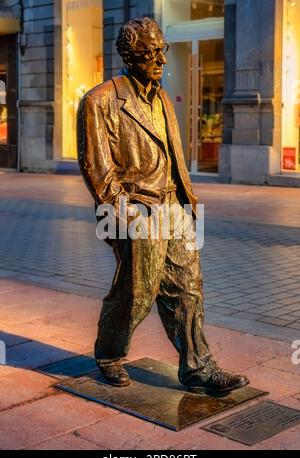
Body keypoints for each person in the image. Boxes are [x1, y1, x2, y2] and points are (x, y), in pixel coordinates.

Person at [77, 17, 249, 394]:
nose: (160, 60)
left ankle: (198, 367)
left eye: (162, 50)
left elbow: (173, 156)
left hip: (175, 206)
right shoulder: (99, 100)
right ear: (129, 53)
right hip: (134, 209)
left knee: (188, 288)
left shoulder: (162, 99)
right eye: (150, 52)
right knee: (137, 291)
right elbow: (97, 166)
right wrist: (125, 212)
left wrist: (188, 206)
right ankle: (109, 352)